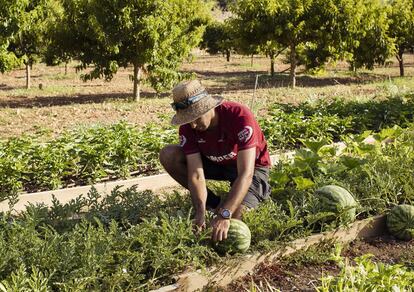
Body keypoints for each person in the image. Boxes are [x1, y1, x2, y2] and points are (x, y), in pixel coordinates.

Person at [159, 79, 271, 242]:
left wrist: (226, 214)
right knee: (168, 155)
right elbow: (197, 175)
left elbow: (246, 173)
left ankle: (238, 203)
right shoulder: (188, 127)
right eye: (188, 120)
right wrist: (200, 211)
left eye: (196, 118)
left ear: (207, 107)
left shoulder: (238, 115)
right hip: (216, 163)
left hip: (251, 168)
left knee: (235, 219)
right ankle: (214, 204)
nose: (193, 126)